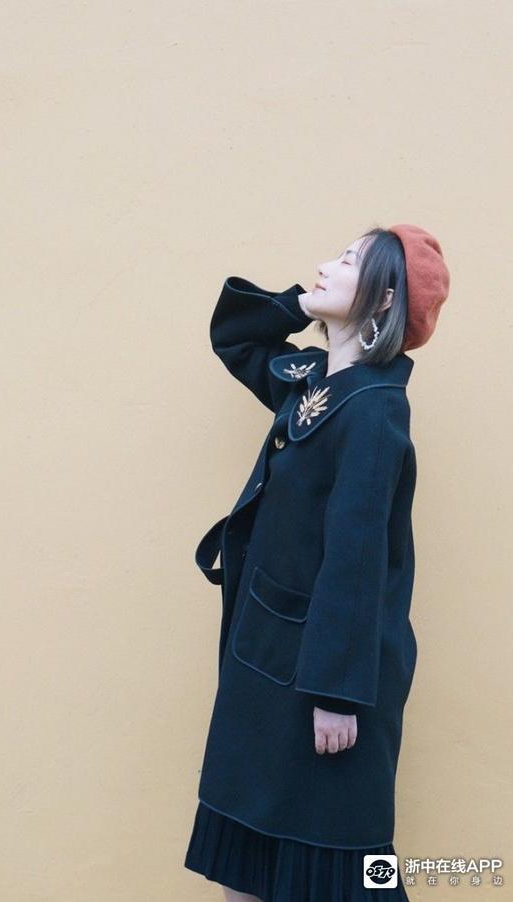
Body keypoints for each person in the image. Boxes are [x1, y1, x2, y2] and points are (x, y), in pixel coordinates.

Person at [184, 224, 450, 901]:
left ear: (384, 299)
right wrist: (301, 305)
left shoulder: (374, 411)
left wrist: (335, 696)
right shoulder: (312, 381)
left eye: (350, 261)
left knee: (340, 869)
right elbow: (236, 337)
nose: (326, 266)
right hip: (267, 657)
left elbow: (356, 560)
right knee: (245, 858)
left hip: (326, 680)